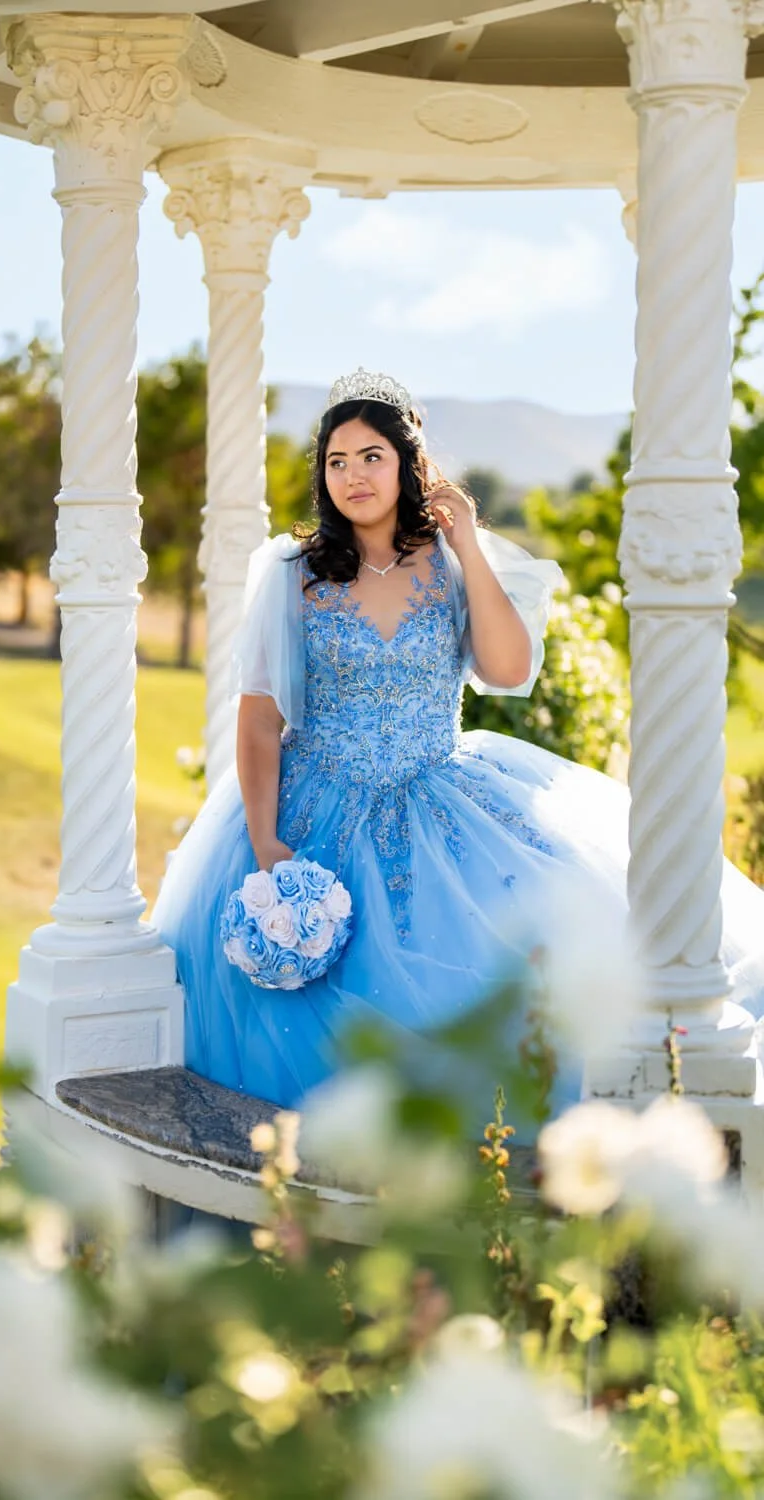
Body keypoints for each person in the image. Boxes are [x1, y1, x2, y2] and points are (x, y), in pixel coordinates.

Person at [151, 368, 764, 1118]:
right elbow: (257, 722)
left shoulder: (448, 564)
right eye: (336, 462)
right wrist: (265, 840)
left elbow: (508, 669)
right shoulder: (293, 574)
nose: (353, 476)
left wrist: (468, 543)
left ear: (409, 465)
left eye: (371, 456)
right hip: (317, 809)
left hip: (442, 797)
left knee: (494, 982)